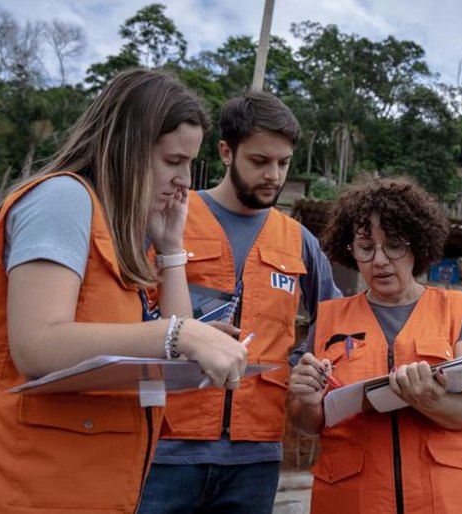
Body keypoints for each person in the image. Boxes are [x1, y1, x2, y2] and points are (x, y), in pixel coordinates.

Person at [0, 68, 248, 514]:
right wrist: (181, 335)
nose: (185, 181)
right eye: (173, 162)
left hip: (87, 482)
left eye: (190, 164)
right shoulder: (63, 199)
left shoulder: (118, 230)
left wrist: (172, 249)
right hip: (29, 485)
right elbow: (37, 346)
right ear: (126, 149)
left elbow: (171, 350)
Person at [138, 90, 341, 514]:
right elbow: (121, 309)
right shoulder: (167, 216)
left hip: (256, 453)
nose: (274, 175)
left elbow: (338, 319)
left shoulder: (297, 239)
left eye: (283, 163)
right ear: (227, 152)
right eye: (260, 161)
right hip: (164, 444)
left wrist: (307, 360)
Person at [287, 176, 462, 514]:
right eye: (366, 248)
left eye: (394, 245)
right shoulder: (328, 318)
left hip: (446, 500)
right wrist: (306, 400)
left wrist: (429, 401)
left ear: (417, 245)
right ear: (350, 249)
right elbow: (306, 421)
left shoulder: (459, 310)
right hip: (352, 499)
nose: (380, 260)